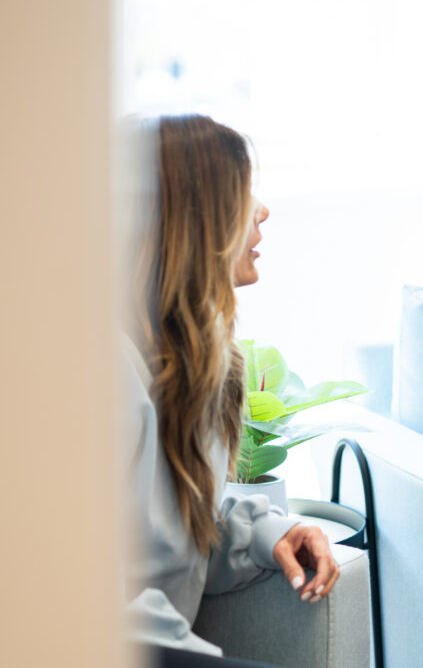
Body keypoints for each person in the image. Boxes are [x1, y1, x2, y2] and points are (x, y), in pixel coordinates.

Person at [122, 115, 339, 666]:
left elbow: (173, 528)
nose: (262, 209)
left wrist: (270, 531)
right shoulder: (104, 370)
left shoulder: (190, 361)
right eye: (241, 191)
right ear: (194, 221)